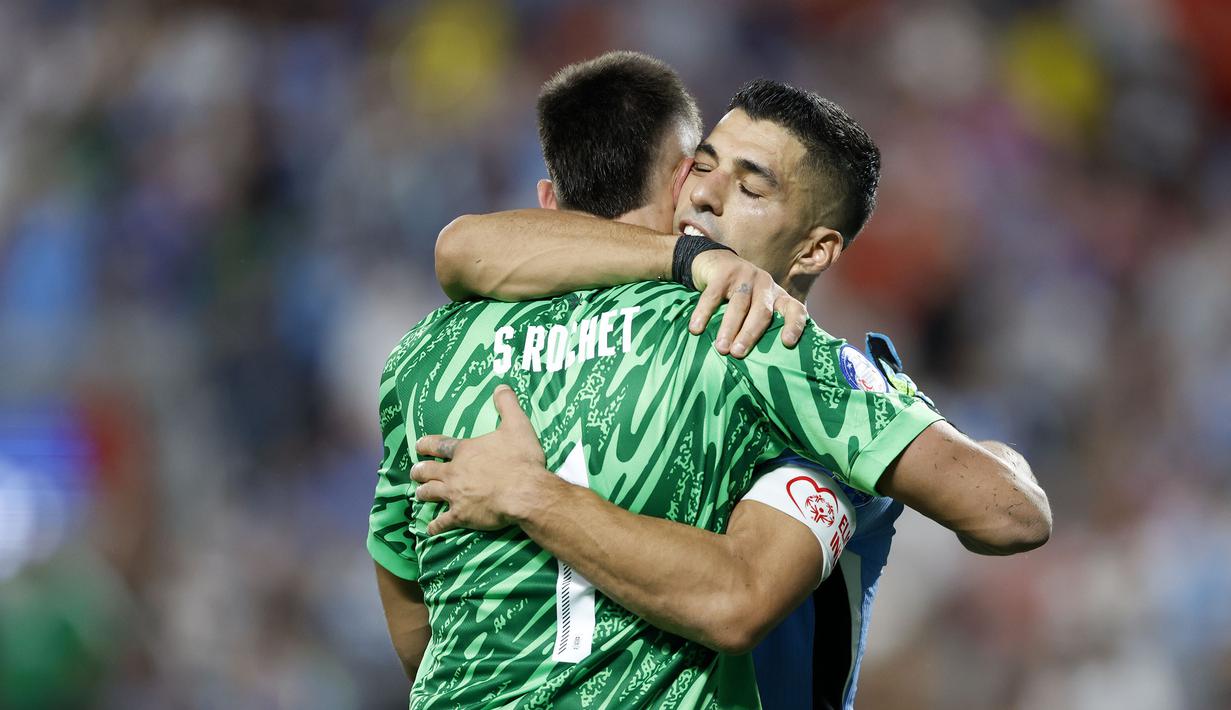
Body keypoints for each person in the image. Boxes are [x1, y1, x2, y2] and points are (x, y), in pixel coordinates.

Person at [371, 52, 1050, 709]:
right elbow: (738, 600)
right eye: (700, 166)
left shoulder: (426, 353)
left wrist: (531, 495)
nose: (704, 193)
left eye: (750, 187)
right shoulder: (747, 348)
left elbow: (415, 637)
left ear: (816, 248)